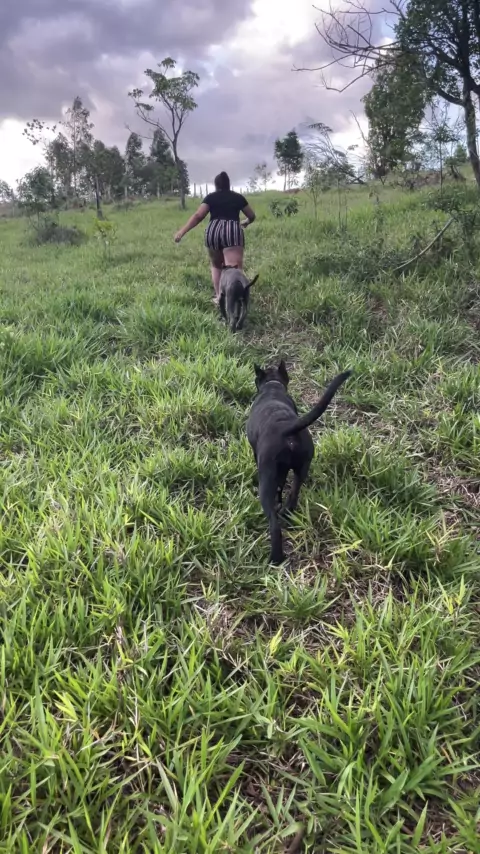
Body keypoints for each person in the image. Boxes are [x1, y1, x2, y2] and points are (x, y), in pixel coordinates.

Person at [174, 171, 256, 302]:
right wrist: (246, 222)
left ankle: (219, 297)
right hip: (232, 231)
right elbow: (251, 215)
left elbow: (198, 216)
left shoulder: (210, 197)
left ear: (216, 185)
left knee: (216, 266)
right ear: (229, 184)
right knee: (234, 268)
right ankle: (235, 299)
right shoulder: (238, 197)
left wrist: (182, 232)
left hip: (213, 231)